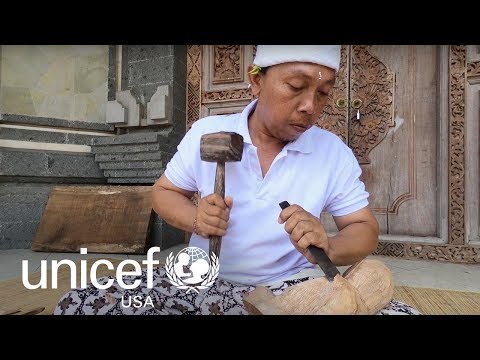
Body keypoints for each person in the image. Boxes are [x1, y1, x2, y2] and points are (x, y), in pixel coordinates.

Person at [54, 45, 419, 315]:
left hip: (291, 287)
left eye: (322, 93)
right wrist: (196, 218)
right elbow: (163, 193)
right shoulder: (209, 132)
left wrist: (329, 245)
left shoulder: (331, 151)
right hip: (199, 278)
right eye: (295, 86)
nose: (310, 105)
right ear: (256, 81)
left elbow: (363, 228)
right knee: (83, 303)